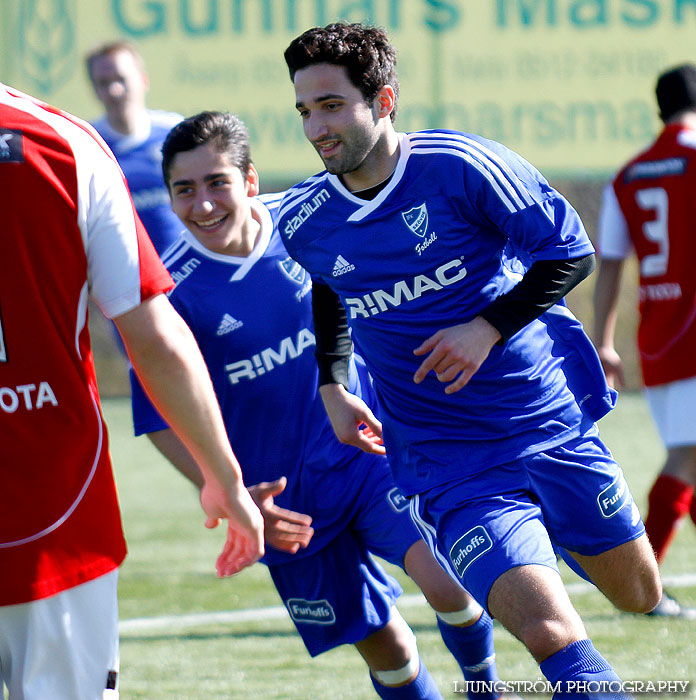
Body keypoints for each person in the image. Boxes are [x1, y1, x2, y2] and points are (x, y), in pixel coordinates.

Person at [278, 22, 663, 699]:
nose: (316, 126)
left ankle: (552, 530)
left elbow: (568, 251)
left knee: (636, 593)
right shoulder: (307, 219)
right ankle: (523, 550)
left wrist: (486, 328)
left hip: (545, 420)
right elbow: (329, 284)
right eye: (305, 109)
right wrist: (333, 381)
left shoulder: (461, 167)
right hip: (446, 458)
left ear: (384, 100)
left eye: (332, 105)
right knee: (550, 634)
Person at [130, 110, 509, 700]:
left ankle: (484, 686)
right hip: (283, 500)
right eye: (185, 190)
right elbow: (158, 417)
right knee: (386, 646)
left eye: (217, 183)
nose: (203, 205)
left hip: (369, 454)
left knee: (447, 583)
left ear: (250, 180)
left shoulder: (308, 223)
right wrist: (229, 494)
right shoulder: (168, 292)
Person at [0, 84, 264, 700]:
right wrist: (223, 477)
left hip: (54, 508)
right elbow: (152, 336)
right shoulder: (64, 143)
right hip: (53, 510)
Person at [593, 63, 696, 620]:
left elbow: (610, 263)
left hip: (659, 337)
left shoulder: (628, 175)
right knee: (687, 454)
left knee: (692, 454)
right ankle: (644, 588)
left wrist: (604, 342)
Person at [85, 40, 183, 256]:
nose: (114, 90)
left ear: (143, 80)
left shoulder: (175, 132)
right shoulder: (87, 143)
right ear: (94, 89)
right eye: (103, 82)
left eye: (122, 79)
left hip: (185, 271)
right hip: (126, 280)